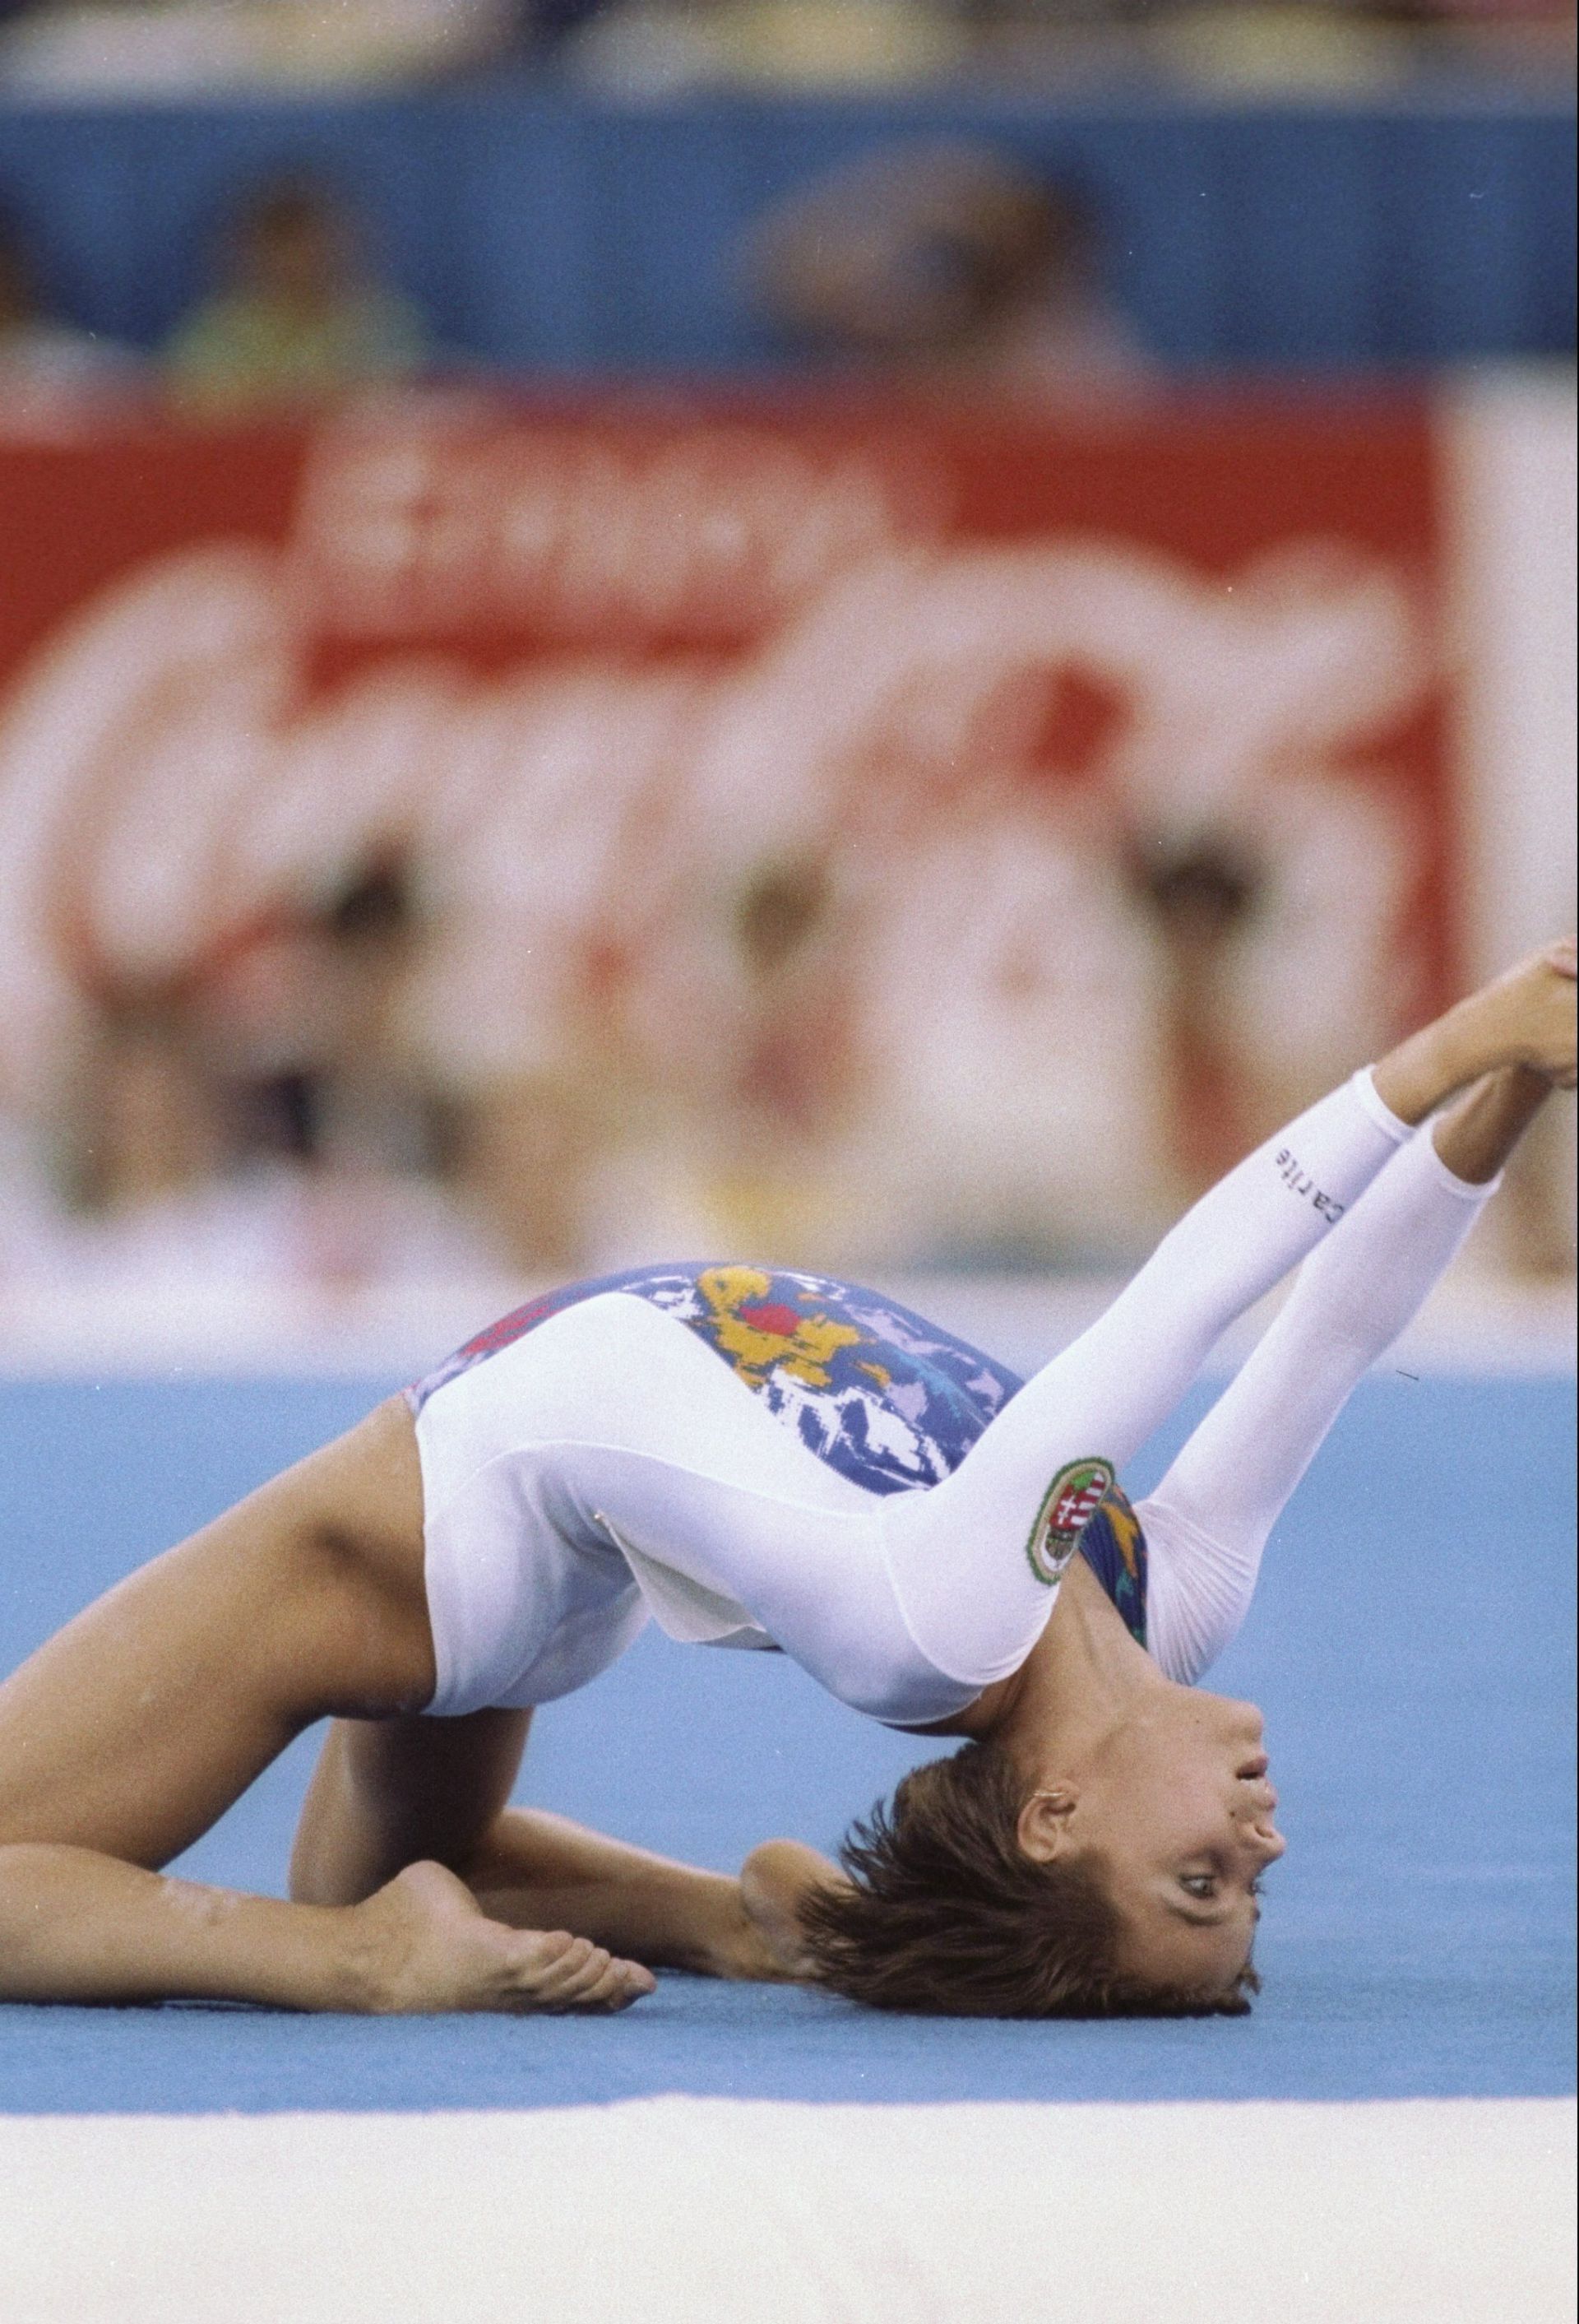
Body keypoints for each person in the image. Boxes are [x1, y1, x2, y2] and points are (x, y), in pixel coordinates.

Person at [0, 945, 1572, 2016]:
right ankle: (739, 1919)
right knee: (390, 1852)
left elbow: (1184, 1300)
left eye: (1199, 1877)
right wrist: (1517, 1089)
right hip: (554, 1553)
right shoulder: (1165, 1603)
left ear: (1055, 1817)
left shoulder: (952, 1623)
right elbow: (1335, 1333)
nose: (1266, 1842)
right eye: (1245, 1886)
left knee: (157, 1886)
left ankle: (357, 1967)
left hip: (437, 1522)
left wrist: (1455, 1039)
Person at [163, 176, 428, 420]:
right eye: (284, 245)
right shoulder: (218, 327)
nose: (299, 260)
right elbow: (195, 408)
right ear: (254, 250)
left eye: (311, 243)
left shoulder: (383, 320)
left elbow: (399, 401)